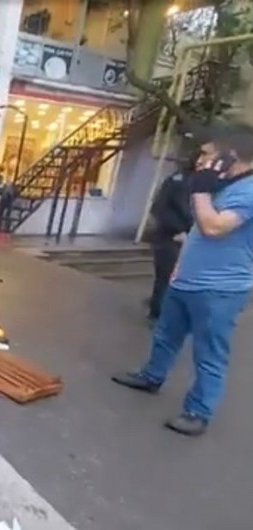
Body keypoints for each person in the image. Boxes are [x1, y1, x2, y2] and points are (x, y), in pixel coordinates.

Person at [112, 124, 253, 436]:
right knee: (166, 335)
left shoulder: (248, 191)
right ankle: (151, 376)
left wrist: (200, 191)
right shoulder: (220, 186)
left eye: (207, 155)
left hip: (220, 289)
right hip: (187, 279)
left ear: (231, 156)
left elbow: (214, 227)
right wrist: (180, 266)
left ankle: (198, 412)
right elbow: (196, 231)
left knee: (209, 353)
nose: (200, 160)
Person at [146, 157, 195, 324]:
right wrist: (180, 230)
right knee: (166, 277)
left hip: (193, 239)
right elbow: (160, 209)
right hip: (171, 237)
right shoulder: (178, 181)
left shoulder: (208, 183)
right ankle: (157, 313)